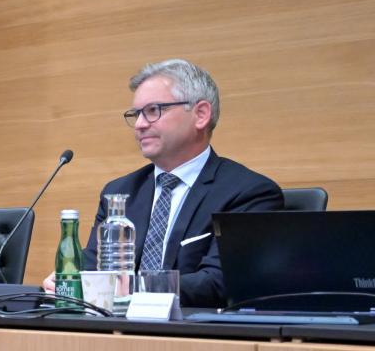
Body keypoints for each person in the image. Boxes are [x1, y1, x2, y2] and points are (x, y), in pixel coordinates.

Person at [45, 59, 283, 308]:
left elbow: (218, 282)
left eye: (153, 110)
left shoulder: (248, 193)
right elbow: (94, 267)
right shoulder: (120, 192)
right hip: (115, 326)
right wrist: (70, 281)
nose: (139, 124)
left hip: (191, 328)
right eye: (136, 114)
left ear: (201, 114)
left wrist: (131, 289)